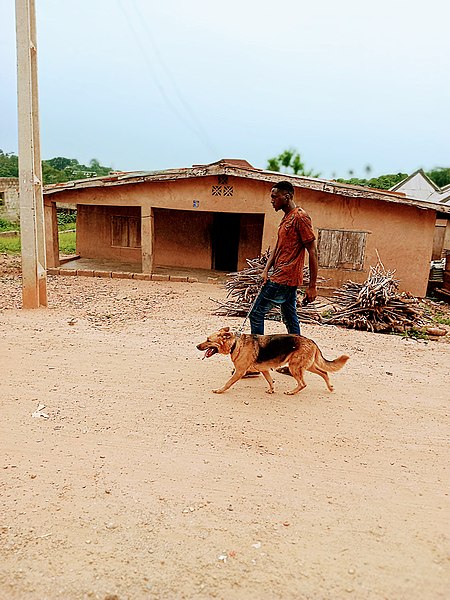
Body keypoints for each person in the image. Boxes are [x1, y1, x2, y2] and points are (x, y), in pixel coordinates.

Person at [249, 180, 318, 337]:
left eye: (275, 197)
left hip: (284, 278)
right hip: (282, 276)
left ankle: (259, 356)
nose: (272, 200)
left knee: (256, 313)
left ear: (287, 196)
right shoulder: (287, 217)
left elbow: (313, 251)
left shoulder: (300, 217)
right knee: (289, 316)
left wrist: (312, 286)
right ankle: (298, 352)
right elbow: (277, 247)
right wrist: (266, 270)